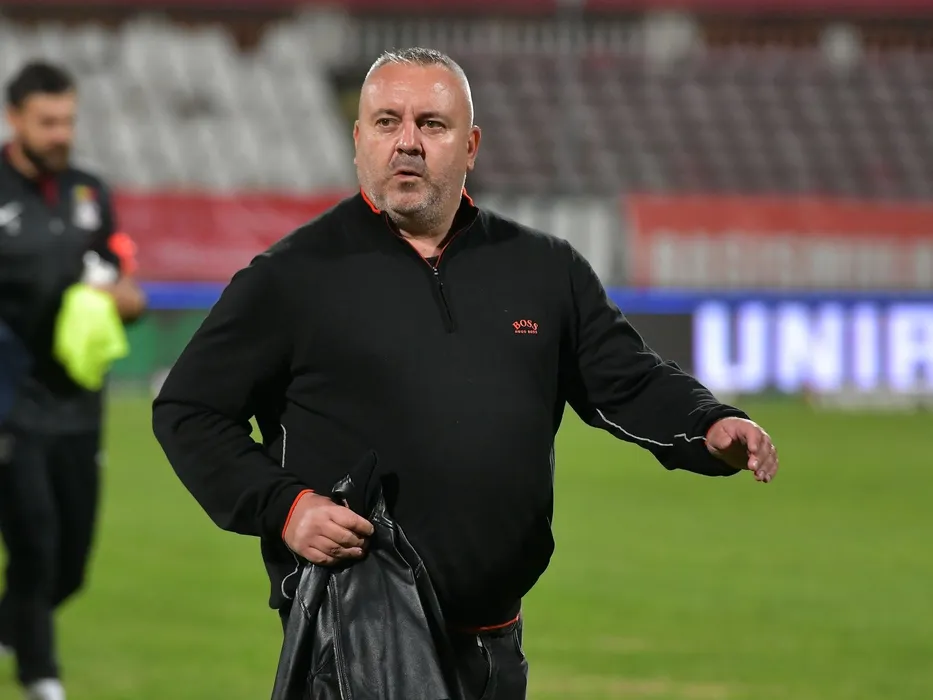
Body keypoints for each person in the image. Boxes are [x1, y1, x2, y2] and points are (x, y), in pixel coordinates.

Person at [152, 47, 780, 700]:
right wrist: (286, 508)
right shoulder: (292, 277)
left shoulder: (543, 268)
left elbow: (629, 380)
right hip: (355, 640)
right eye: (387, 122)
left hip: (495, 642)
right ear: (359, 140)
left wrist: (709, 423)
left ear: (471, 145)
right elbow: (189, 410)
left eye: (431, 124)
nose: (407, 142)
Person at [0, 61, 146, 700]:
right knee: (34, 545)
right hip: (11, 403)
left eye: (68, 120)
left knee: (70, 566)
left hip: (81, 406)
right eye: (48, 122)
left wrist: (126, 298)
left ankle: (11, 630)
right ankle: (43, 680)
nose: (61, 133)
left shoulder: (91, 193)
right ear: (14, 119)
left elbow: (124, 278)